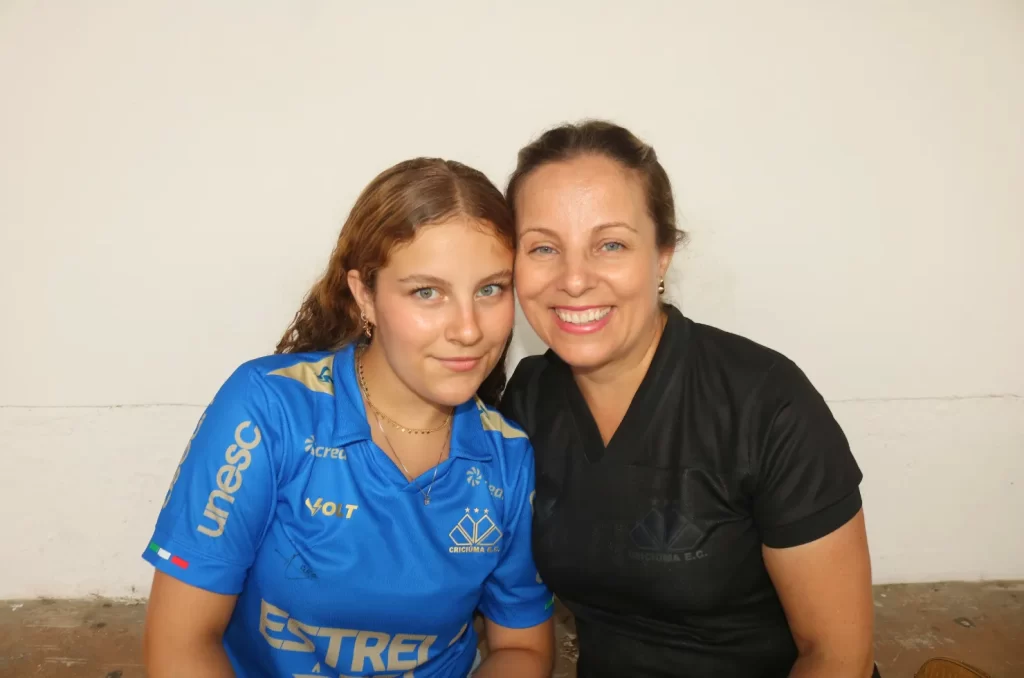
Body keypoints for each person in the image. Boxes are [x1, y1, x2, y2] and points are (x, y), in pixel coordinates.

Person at [141, 158, 555, 678]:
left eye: (490, 289)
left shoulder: (509, 457)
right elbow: (179, 643)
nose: (468, 329)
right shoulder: (268, 409)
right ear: (366, 296)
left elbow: (523, 649)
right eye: (427, 292)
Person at [499, 120, 879, 678]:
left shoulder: (766, 404)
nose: (574, 279)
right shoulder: (527, 402)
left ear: (662, 256)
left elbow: (837, 656)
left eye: (610, 244)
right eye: (543, 248)